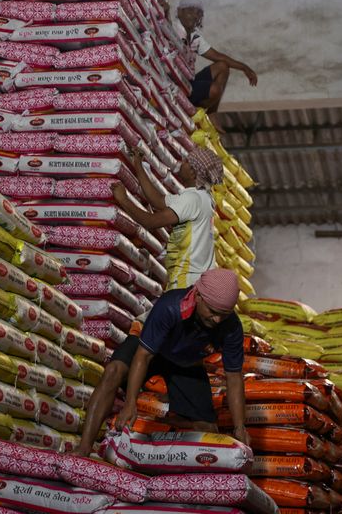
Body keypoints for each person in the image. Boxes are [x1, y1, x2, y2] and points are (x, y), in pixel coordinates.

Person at [74, 268, 250, 456]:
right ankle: (84, 448)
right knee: (113, 371)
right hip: (148, 348)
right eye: (213, 312)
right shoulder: (170, 306)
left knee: (207, 427)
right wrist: (130, 403)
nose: (217, 320)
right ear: (198, 296)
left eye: (224, 315)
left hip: (185, 361)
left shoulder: (231, 327)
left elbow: (234, 378)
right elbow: (144, 355)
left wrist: (240, 427)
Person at [112, 146, 224, 290]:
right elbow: (157, 201)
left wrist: (123, 200)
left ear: (193, 172)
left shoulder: (193, 199)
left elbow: (151, 222)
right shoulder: (200, 197)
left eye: (187, 162)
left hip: (188, 282)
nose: (182, 162)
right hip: (193, 281)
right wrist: (138, 166)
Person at [174, 0, 258, 127]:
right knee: (214, 90)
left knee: (223, 66)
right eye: (190, 11)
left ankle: (211, 113)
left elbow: (219, 57)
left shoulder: (194, 38)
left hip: (188, 84)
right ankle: (195, 111)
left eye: (198, 14)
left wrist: (245, 68)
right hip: (176, 88)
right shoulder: (172, 30)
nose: (195, 16)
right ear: (179, 12)